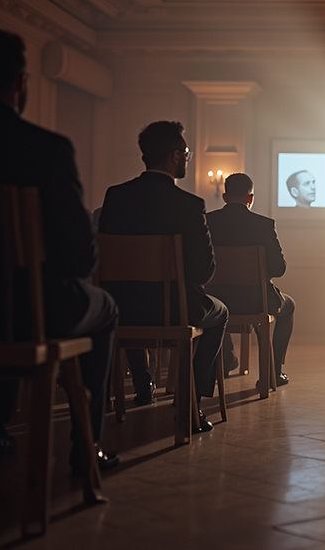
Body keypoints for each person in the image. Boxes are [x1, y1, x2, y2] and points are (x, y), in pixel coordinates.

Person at [0, 28, 119, 471]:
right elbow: (79, 259)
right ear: (19, 83)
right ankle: (85, 446)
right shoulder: (45, 149)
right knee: (103, 307)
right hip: (29, 313)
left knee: (5, 294)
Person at [98, 120, 227, 433]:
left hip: (120, 310)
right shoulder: (190, 205)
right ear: (175, 156)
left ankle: (142, 387)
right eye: (186, 152)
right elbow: (203, 271)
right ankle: (190, 404)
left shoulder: (115, 197)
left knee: (130, 298)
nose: (186, 157)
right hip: (173, 310)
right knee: (220, 313)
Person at [206, 173, 294, 386]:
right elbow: (278, 268)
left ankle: (226, 358)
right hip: (255, 301)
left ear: (225, 197)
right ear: (250, 198)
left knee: (220, 309)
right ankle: (272, 372)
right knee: (288, 306)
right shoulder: (263, 224)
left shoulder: (207, 221)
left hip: (214, 301)